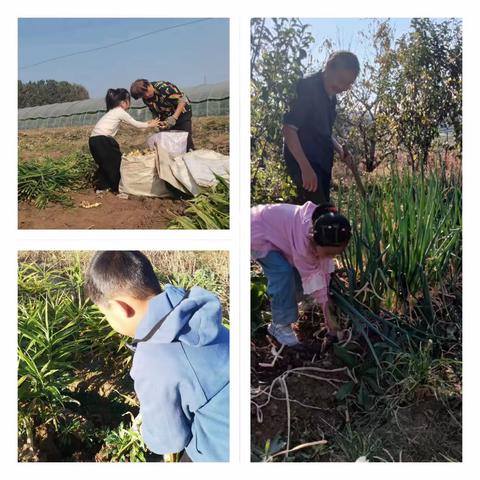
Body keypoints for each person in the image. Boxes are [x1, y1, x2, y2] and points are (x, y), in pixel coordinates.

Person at [84, 251, 229, 462]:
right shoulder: (195, 312)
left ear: (120, 308)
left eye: (105, 314)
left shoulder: (153, 358)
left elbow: (168, 440)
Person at [251, 202, 351, 347]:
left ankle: (291, 301)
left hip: (276, 230)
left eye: (336, 254)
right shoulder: (304, 246)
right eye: (329, 253)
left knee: (297, 273)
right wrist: (329, 319)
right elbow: (315, 278)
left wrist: (327, 311)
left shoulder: (323, 229)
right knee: (283, 273)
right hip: (257, 232)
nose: (331, 256)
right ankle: (279, 325)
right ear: (314, 242)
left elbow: (322, 273)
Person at [283, 51, 360, 204]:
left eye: (348, 84)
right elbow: (289, 129)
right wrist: (305, 168)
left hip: (322, 164)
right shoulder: (307, 88)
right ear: (329, 68)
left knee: (319, 214)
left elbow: (324, 132)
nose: (344, 87)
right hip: (306, 164)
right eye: (342, 80)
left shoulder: (331, 97)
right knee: (317, 215)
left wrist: (340, 150)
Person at [89, 88, 160, 192]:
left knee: (105, 164)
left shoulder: (112, 112)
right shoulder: (119, 111)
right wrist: (151, 125)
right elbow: (135, 124)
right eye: (129, 101)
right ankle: (117, 188)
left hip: (94, 141)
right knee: (116, 163)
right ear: (123, 102)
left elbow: (134, 124)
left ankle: (101, 186)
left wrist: (147, 123)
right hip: (103, 140)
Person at [130, 79, 195, 151]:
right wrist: (158, 122)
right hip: (166, 115)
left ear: (148, 84)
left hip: (182, 111)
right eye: (143, 95)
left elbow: (182, 100)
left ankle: (190, 153)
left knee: (185, 137)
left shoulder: (164, 88)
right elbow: (154, 111)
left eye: (147, 91)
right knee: (170, 139)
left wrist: (174, 117)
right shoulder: (146, 99)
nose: (147, 95)